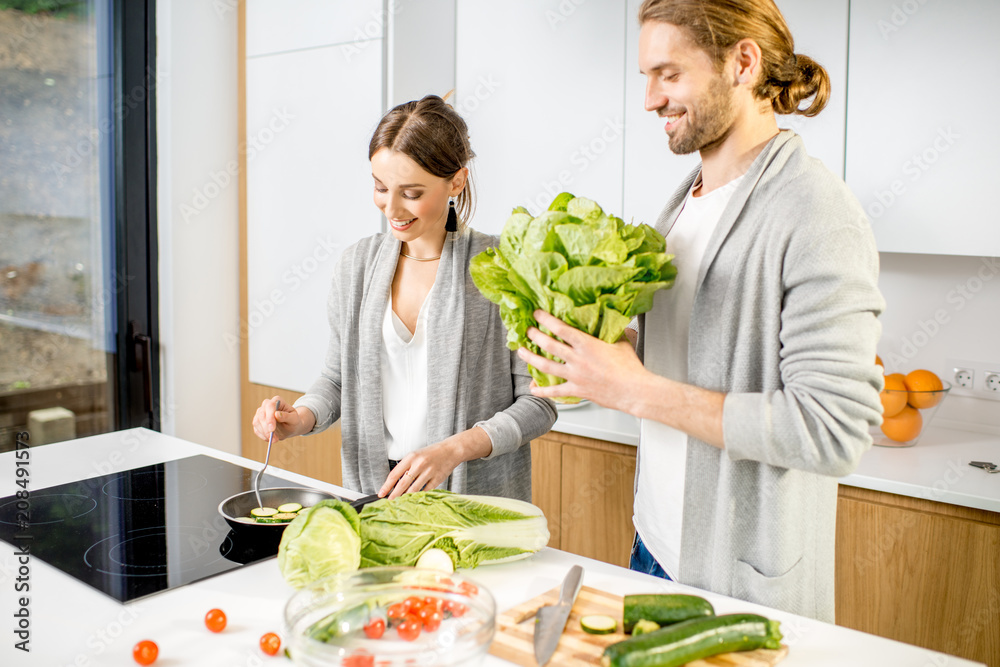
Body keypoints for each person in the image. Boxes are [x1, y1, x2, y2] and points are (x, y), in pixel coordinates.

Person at [518, 0, 884, 622]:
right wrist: (605, 350)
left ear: (742, 62)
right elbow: (692, 356)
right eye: (647, 78)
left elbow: (834, 429)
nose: (651, 100)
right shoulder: (683, 203)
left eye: (670, 74)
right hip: (653, 544)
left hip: (737, 581)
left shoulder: (816, 211)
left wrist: (633, 389)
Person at [252, 95, 557, 502]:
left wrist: (453, 450)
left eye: (411, 193)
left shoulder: (504, 267)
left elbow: (540, 404)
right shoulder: (356, 266)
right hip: (377, 494)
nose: (391, 208)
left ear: (456, 181)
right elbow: (337, 379)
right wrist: (301, 418)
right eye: (380, 188)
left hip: (474, 502)